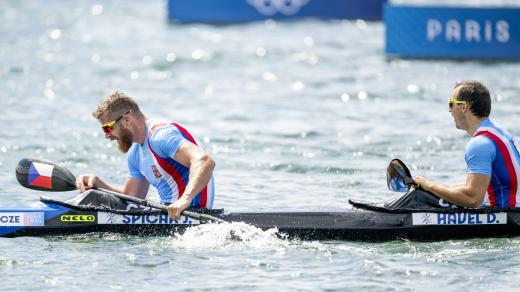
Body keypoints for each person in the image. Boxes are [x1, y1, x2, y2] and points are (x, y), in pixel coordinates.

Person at [76, 91, 216, 219]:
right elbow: (132, 197)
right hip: (168, 214)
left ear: (126, 120)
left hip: (193, 214)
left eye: (108, 128)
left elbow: (204, 161)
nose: (107, 136)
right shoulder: (135, 153)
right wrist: (98, 184)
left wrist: (184, 200)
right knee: (92, 198)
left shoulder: (160, 136)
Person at [414, 80, 520, 208]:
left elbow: (473, 198)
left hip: (507, 219)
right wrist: (436, 188)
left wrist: (429, 185)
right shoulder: (500, 132)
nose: (449, 110)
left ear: (464, 107)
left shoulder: (480, 144)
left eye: (451, 103)